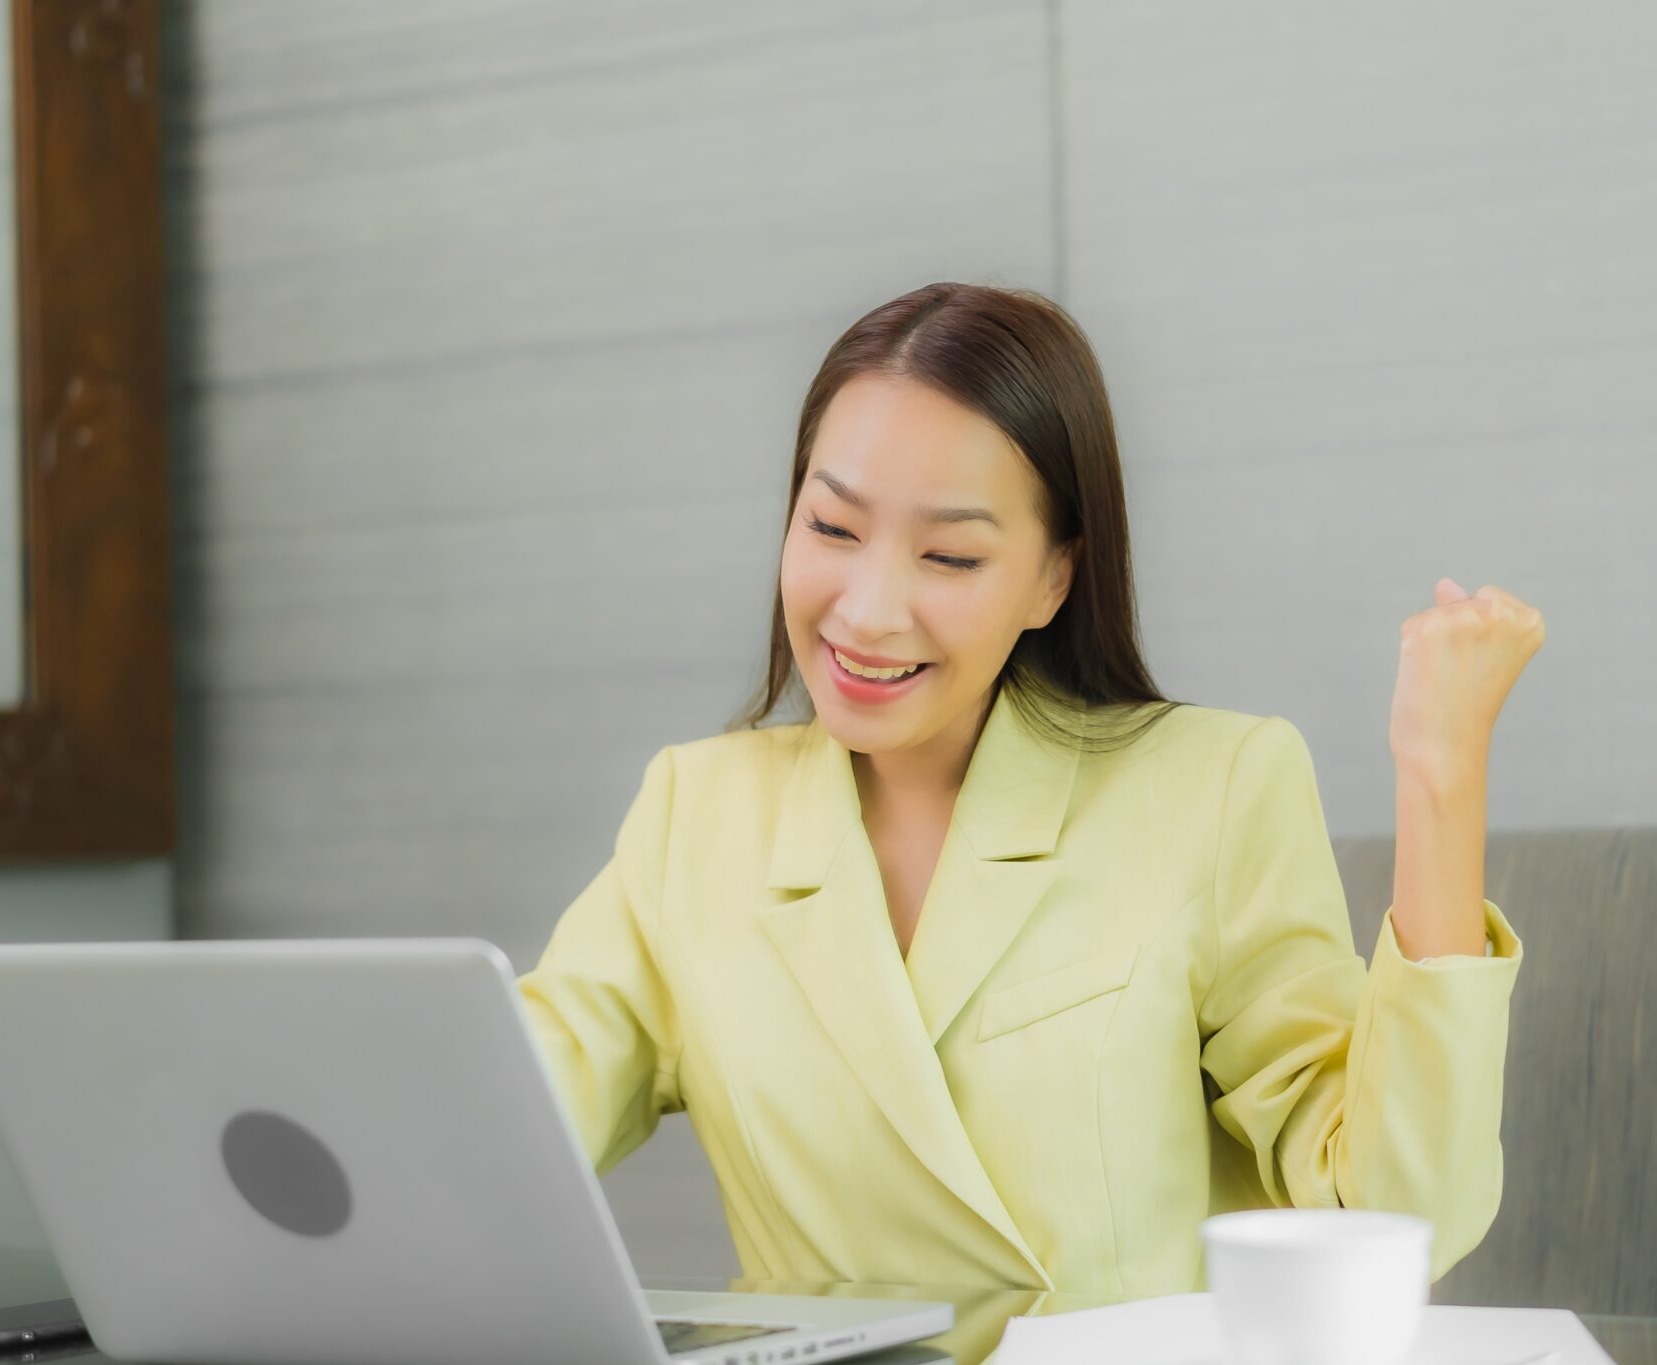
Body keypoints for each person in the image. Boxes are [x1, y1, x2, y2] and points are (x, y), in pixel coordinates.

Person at [518, 281, 1545, 1295]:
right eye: (831, 529)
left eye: (949, 555)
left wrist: (1440, 773)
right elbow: (507, 1122)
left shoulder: (1212, 790)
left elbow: (1399, 1215)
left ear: (1054, 577)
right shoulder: (695, 815)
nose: (867, 612)